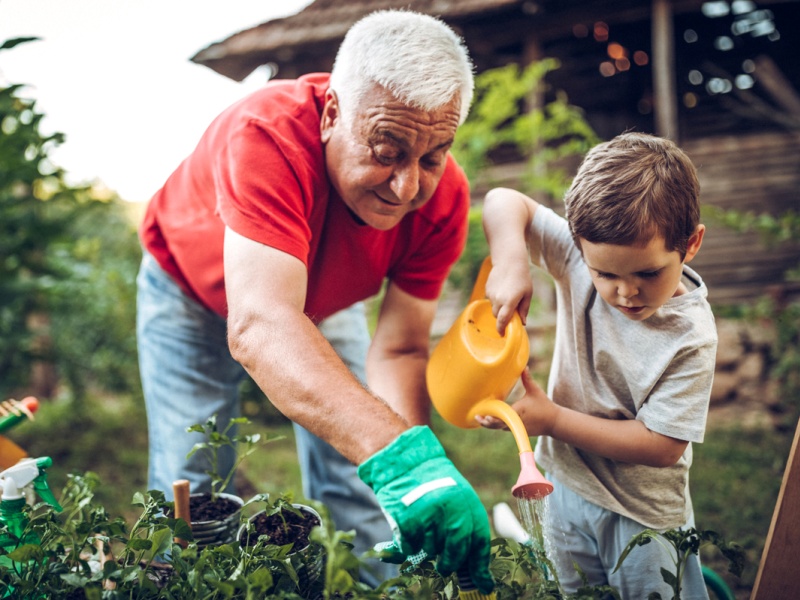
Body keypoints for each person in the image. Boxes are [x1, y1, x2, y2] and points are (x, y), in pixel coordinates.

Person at [136, 9, 493, 592]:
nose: (407, 188)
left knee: (364, 476)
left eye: (431, 156)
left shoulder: (443, 198)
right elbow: (262, 323)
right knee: (194, 483)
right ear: (332, 114)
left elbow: (400, 349)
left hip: (318, 301)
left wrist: (419, 472)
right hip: (190, 292)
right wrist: (398, 456)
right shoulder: (267, 134)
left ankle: (388, 587)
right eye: (387, 149)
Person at [477, 132, 715, 599]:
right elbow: (504, 200)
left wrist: (552, 420)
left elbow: (663, 445)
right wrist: (511, 260)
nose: (626, 293)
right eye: (605, 274)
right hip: (563, 486)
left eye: (648, 273)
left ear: (690, 244)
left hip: (642, 516)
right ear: (578, 244)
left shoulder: (690, 336)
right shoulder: (574, 255)